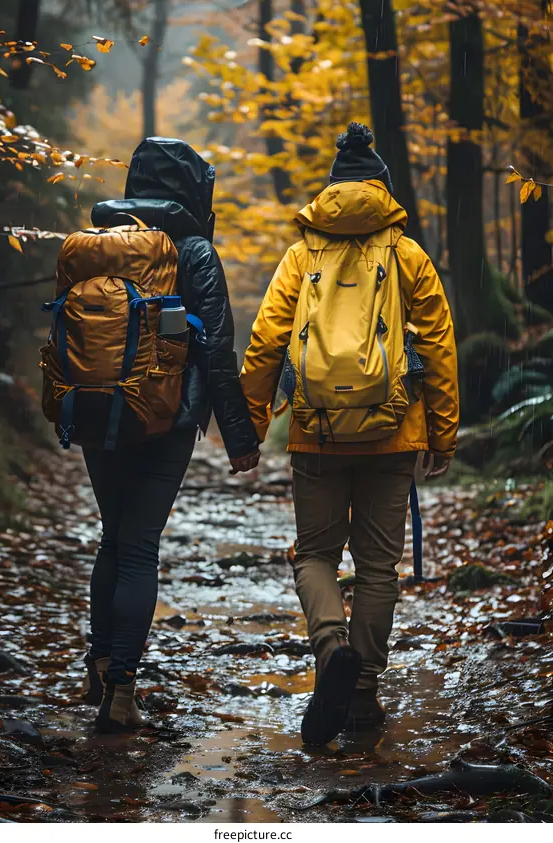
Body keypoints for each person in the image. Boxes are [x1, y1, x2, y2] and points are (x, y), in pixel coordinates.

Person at [240, 123, 458, 745]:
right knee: (378, 568)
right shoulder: (407, 254)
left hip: (316, 432)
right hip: (393, 433)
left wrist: (251, 428)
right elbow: (439, 347)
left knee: (314, 553)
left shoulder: (302, 255)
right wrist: (442, 434)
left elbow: (264, 344)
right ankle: (362, 697)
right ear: (384, 190)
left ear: (330, 190)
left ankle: (331, 644)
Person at [81, 137, 260, 733]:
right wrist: (240, 437)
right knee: (139, 547)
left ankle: (99, 661)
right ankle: (123, 691)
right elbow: (215, 352)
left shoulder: (99, 240)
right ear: (191, 190)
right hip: (167, 420)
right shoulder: (195, 251)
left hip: (97, 409)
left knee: (114, 537)